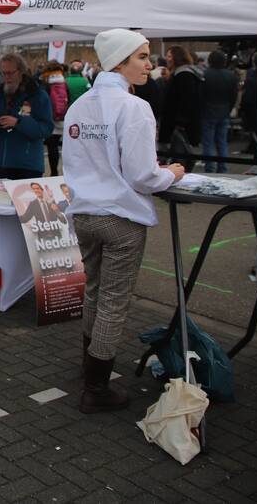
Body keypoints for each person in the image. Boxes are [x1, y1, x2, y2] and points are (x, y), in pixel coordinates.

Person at [62, 29, 185, 413]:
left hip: (84, 213)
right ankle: (96, 388)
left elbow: (76, 162)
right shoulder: (134, 107)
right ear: (119, 62)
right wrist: (171, 174)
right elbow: (142, 176)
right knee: (113, 302)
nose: (150, 65)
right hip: (120, 217)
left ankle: (89, 368)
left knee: (95, 292)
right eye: (142, 57)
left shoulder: (79, 105)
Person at [0, 53, 53, 180]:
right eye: (3, 73)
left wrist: (18, 123)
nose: (6, 77)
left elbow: (46, 128)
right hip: (3, 163)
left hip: (28, 165)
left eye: (10, 73)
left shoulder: (37, 95)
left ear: (21, 71)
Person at [159, 45, 203, 170]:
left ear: (176, 58)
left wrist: (180, 123)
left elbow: (186, 101)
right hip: (179, 124)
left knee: (180, 159)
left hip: (178, 126)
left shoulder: (183, 75)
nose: (167, 59)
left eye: (169, 56)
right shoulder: (184, 73)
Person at [200, 50, 238, 173]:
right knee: (222, 142)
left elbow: (201, 95)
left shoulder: (205, 74)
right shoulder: (231, 75)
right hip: (224, 110)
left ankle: (210, 167)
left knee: (208, 142)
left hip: (208, 111)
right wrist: (229, 108)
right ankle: (223, 167)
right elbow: (234, 95)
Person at [40, 60, 69, 176]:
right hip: (63, 118)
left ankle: (54, 172)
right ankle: (65, 171)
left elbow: (43, 101)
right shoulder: (64, 82)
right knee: (62, 146)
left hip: (50, 118)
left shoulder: (46, 83)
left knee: (52, 147)